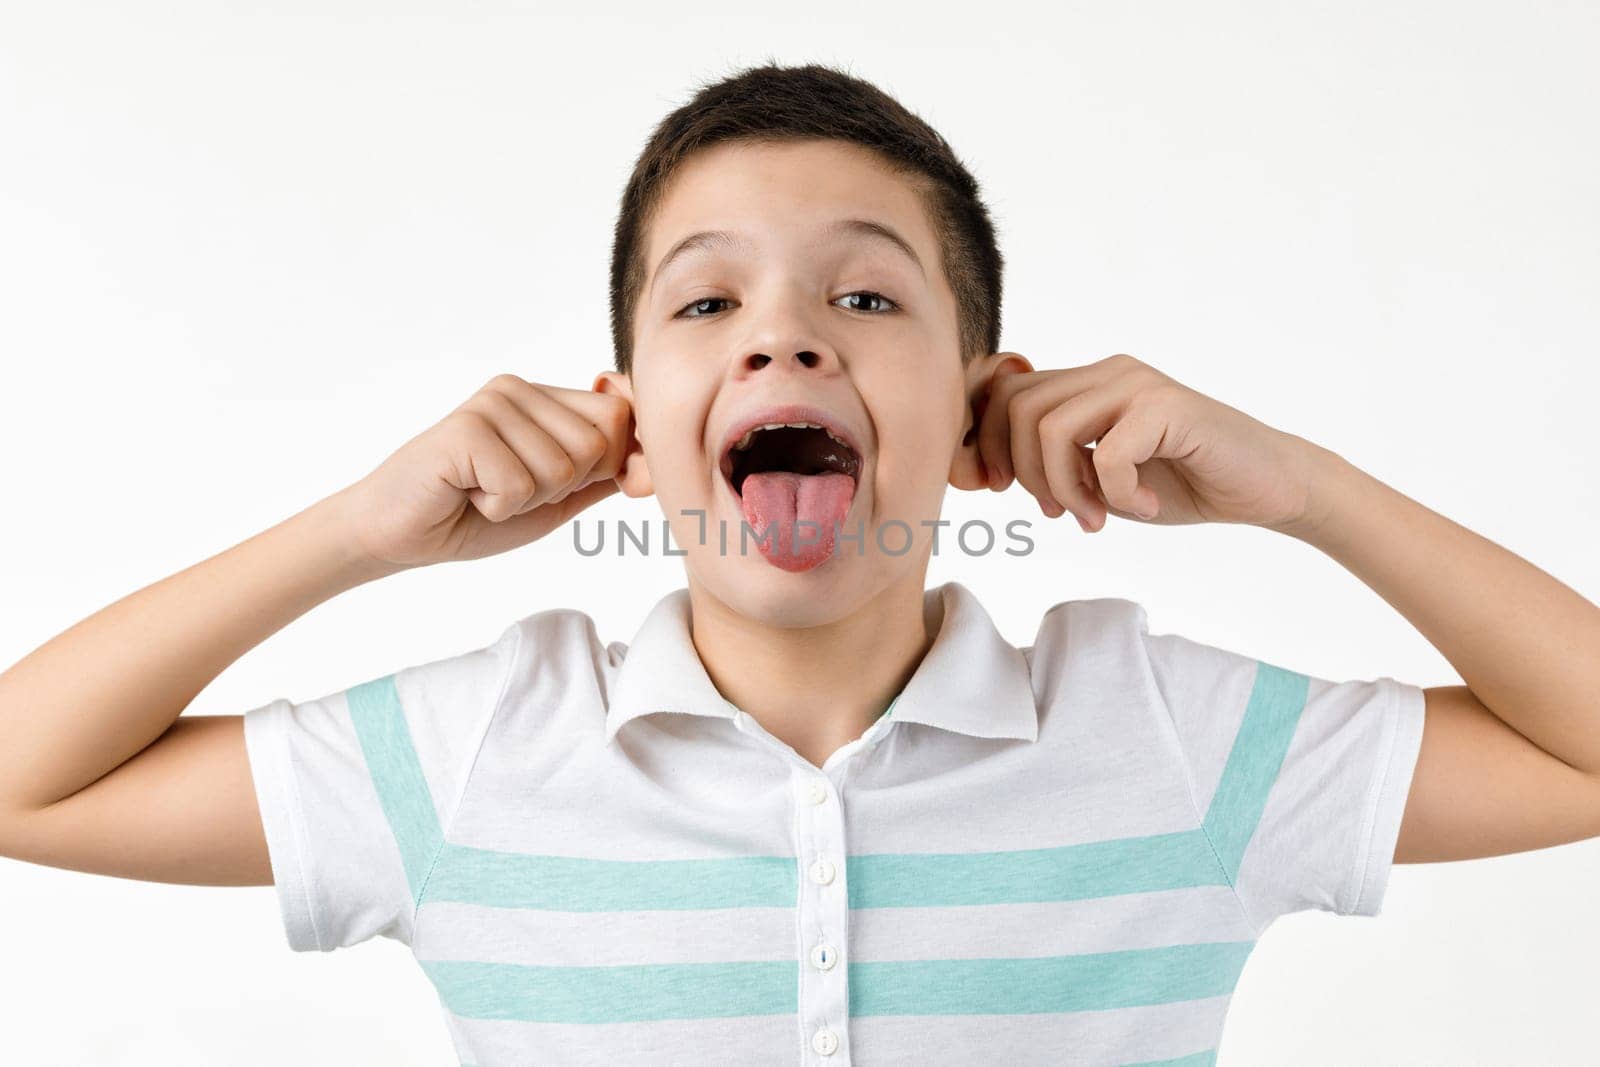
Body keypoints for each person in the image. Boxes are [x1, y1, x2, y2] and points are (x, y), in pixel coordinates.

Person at [3, 61, 1598, 1067]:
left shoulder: (1167, 740)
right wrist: (356, 534)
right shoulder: (481, 751)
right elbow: (22, 786)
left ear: (982, 402)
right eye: (705, 305)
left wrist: (1305, 491)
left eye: (868, 298)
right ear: (628, 423)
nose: (784, 330)